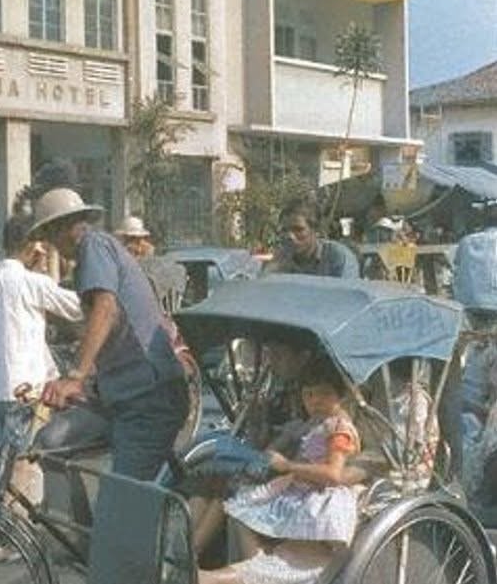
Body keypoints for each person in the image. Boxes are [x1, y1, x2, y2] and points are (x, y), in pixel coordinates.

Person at [34, 188, 189, 481]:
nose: (51, 243)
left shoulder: (94, 246)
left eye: (50, 234)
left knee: (121, 496)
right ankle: (72, 513)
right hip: (119, 394)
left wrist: (76, 376)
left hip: (147, 395)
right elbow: (103, 328)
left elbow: (106, 309)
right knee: (50, 443)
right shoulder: (91, 258)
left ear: (64, 227)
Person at [201, 360, 361, 584]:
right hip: (297, 488)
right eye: (309, 395)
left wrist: (288, 466)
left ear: (341, 396)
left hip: (318, 496)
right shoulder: (316, 423)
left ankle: (254, 572)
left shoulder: (339, 429)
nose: (315, 401)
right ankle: (254, 566)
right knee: (240, 509)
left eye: (324, 394)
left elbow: (333, 474)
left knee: (244, 509)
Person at [0, 214, 82, 463]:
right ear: (31, 246)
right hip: (25, 393)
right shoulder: (34, 283)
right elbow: (79, 308)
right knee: (25, 464)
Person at [268, 200, 359, 278]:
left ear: (315, 230)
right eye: (284, 230)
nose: (290, 236)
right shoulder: (280, 259)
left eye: (298, 229)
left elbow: (347, 291)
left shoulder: (337, 258)